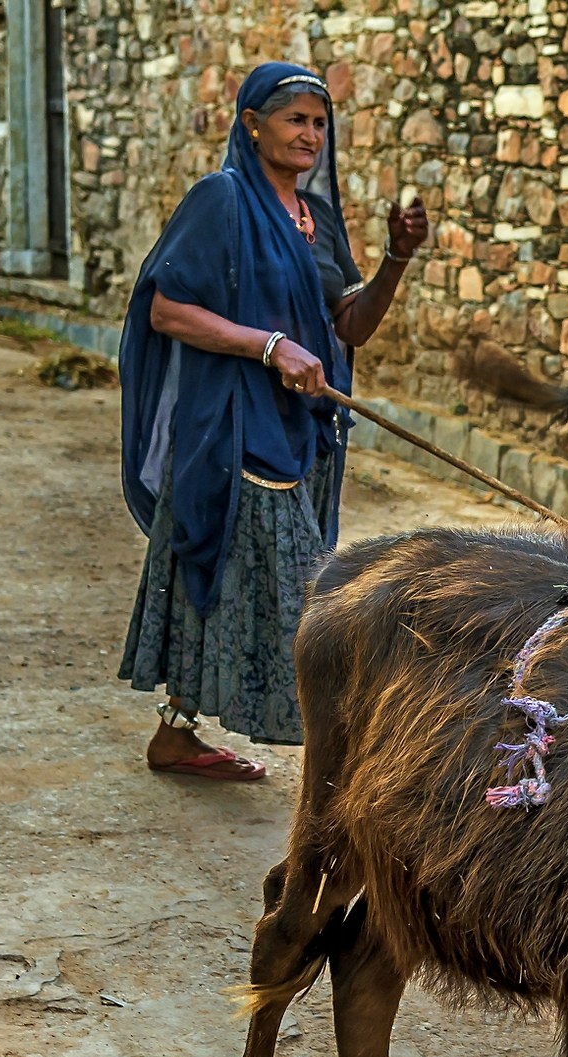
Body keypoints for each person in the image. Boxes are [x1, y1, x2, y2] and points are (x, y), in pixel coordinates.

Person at [117, 61, 429, 779]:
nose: (311, 135)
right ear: (251, 123)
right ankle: (349, 769)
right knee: (300, 597)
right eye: (295, 119)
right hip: (234, 432)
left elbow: (349, 324)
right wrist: (268, 345)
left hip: (303, 432)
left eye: (320, 123)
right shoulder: (221, 201)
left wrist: (396, 258)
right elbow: (167, 309)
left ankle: (176, 733)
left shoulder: (315, 222)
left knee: (242, 579)